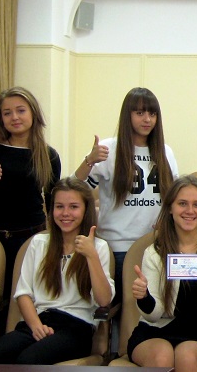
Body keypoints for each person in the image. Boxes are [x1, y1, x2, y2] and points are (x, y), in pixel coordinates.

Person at [0, 177, 114, 364]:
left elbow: (104, 300)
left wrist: (91, 256)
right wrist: (36, 326)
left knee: (28, 361)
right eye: (59, 207)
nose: (65, 213)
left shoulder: (99, 247)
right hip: (39, 319)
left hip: (76, 327)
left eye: (73, 207)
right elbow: (23, 293)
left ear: (86, 210)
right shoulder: (38, 243)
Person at [75, 87, 178, 300]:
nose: (147, 119)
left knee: (155, 305)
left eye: (152, 113)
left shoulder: (165, 152)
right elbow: (73, 190)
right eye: (139, 113)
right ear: (127, 115)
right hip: (118, 247)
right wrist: (89, 161)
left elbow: (175, 197)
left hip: (156, 245)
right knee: (122, 307)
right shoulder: (108, 149)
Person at [127, 175, 197, 370]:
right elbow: (153, 315)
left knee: (186, 358)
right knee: (162, 358)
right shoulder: (154, 252)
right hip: (155, 331)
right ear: (170, 208)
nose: (190, 211)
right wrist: (144, 297)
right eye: (182, 204)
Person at [0, 86, 61, 306]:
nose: (15, 117)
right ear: (0, 119)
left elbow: (53, 204)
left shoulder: (48, 155)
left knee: (24, 299)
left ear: (33, 113)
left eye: (21, 110)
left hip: (29, 239)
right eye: (7, 113)